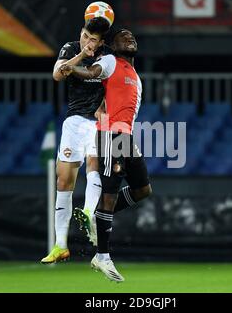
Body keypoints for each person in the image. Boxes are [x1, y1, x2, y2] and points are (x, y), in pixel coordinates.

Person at [60, 29, 152, 282]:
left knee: (143, 190)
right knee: (110, 196)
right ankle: (102, 255)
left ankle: (97, 216)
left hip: (126, 137)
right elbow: (91, 73)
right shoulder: (111, 61)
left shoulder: (134, 75)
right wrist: (72, 69)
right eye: (124, 36)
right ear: (113, 45)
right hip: (110, 136)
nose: (130, 38)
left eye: (133, 36)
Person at [40, 17, 110, 264]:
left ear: (101, 42)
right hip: (73, 121)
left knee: (94, 163)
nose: (88, 42)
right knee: (63, 180)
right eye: (85, 36)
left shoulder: (108, 56)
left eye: (93, 40)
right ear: (81, 33)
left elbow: (114, 86)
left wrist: (104, 107)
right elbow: (57, 75)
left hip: (98, 120)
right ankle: (60, 245)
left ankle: (89, 212)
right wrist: (81, 54)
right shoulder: (70, 48)